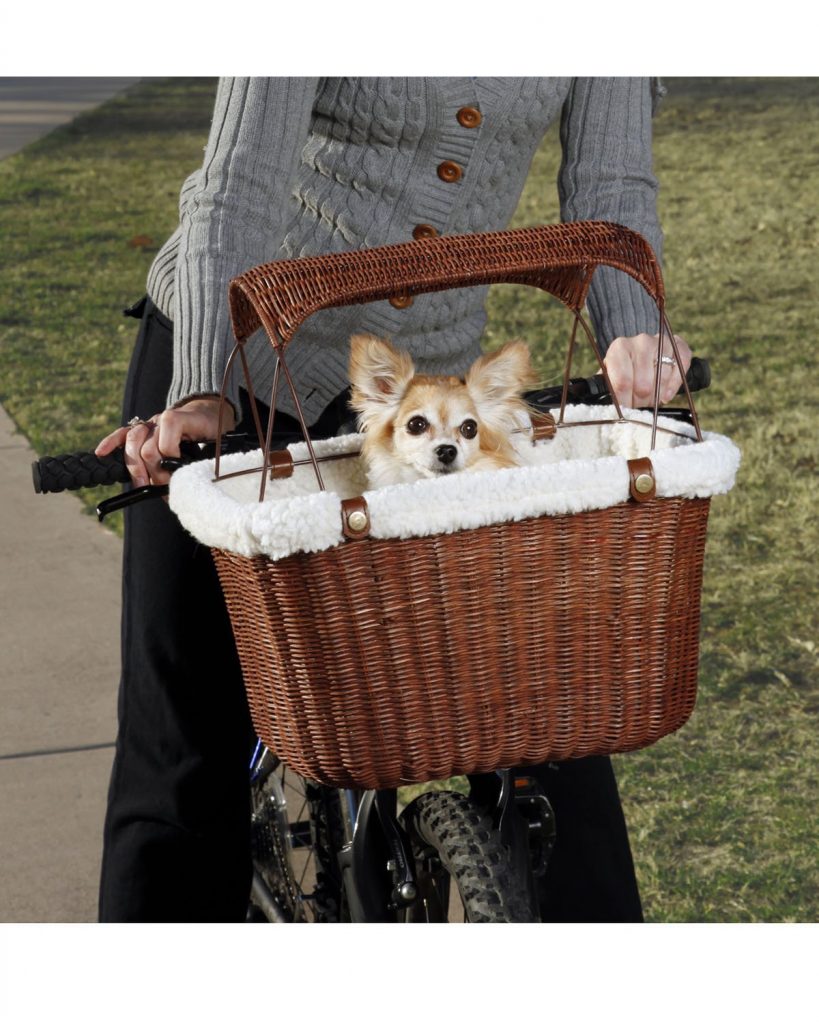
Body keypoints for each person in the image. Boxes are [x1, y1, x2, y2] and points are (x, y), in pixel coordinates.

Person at [95, 77, 691, 922]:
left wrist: (635, 339)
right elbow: (235, 191)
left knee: (546, 721)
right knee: (186, 745)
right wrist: (201, 386)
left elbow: (610, 187)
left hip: (427, 399)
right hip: (237, 364)